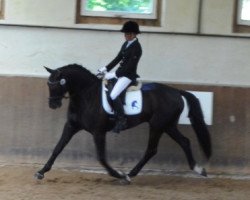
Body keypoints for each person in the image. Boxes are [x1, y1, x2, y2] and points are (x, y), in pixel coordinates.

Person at [98, 20, 142, 133]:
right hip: (121, 73)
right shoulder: (126, 44)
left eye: (127, 34)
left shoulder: (137, 48)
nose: (125, 36)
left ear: (134, 34)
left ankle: (122, 120)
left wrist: (114, 74)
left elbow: (130, 66)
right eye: (125, 34)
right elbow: (117, 58)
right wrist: (105, 68)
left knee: (113, 95)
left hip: (128, 76)